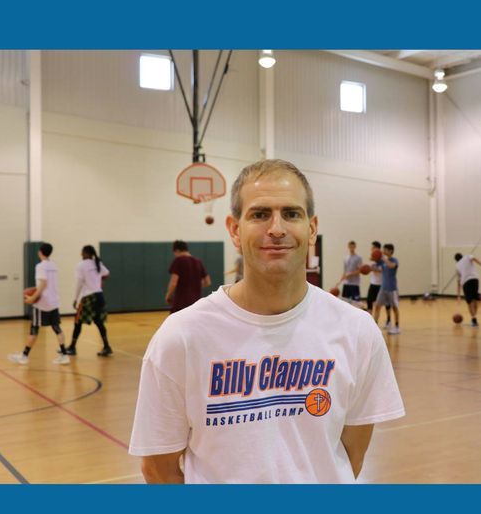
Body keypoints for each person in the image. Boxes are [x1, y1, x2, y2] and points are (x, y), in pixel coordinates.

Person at [129, 159, 405, 483]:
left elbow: (351, 455)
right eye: (260, 215)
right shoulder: (182, 336)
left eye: (291, 214)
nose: (276, 228)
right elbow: (157, 468)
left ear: (312, 228)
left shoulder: (357, 330)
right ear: (234, 229)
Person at [8, 243, 69, 365]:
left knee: (34, 329)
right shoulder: (54, 265)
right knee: (57, 328)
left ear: (40, 252)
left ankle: (24, 356)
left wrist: (32, 298)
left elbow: (43, 285)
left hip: (43, 302)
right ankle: (64, 355)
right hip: (54, 301)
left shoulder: (40, 266)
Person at [67, 245, 113, 357]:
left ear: (86, 253)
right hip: (99, 296)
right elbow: (107, 273)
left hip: (88, 297)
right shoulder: (97, 263)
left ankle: (72, 347)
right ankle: (107, 347)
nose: (81, 254)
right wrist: (98, 281)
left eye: (82, 252)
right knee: (99, 322)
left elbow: (79, 283)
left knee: (77, 322)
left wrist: (75, 298)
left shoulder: (81, 265)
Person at [165, 240, 211, 313]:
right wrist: (195, 286)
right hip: (196, 302)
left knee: (176, 323)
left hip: (181, 302)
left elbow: (174, 282)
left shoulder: (178, 260)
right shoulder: (198, 262)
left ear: (177, 250)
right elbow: (208, 282)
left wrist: (168, 295)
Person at [372, 243, 400, 335]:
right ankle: (375, 327)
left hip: (392, 288)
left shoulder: (394, 260)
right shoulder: (382, 261)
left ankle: (396, 327)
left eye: (385, 250)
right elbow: (375, 262)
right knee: (377, 306)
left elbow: (392, 266)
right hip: (383, 288)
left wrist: (384, 259)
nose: (383, 251)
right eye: (383, 250)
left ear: (391, 251)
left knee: (395, 308)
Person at [454, 252, 481, 327]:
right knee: (475, 299)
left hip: (466, 282)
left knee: (469, 302)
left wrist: (458, 295)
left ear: (456, 260)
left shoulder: (457, 266)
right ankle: (474, 316)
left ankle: (473, 318)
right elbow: (475, 259)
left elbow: (458, 282)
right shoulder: (467, 256)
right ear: (462, 256)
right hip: (475, 279)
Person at [365, 241, 387, 322]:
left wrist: (371, 268)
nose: (371, 249)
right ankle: (369, 322)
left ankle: (378, 322)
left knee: (378, 305)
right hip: (373, 284)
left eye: (373, 247)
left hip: (381, 285)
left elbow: (381, 270)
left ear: (377, 248)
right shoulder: (372, 258)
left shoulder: (384, 258)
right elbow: (369, 269)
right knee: (369, 303)